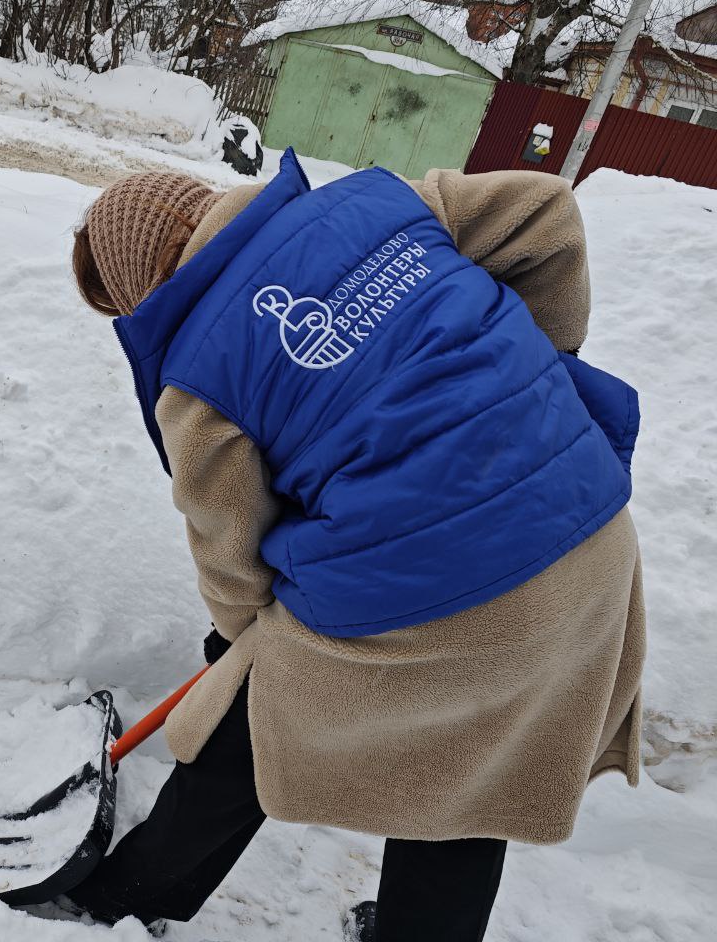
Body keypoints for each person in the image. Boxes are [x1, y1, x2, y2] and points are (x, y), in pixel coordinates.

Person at [61, 151, 646, 942]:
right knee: (474, 764)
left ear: (138, 292)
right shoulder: (389, 204)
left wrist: (237, 643)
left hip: (432, 591)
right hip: (590, 545)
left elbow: (231, 555)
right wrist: (526, 382)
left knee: (249, 718)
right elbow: (547, 212)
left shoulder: (196, 376)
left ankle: (122, 902)